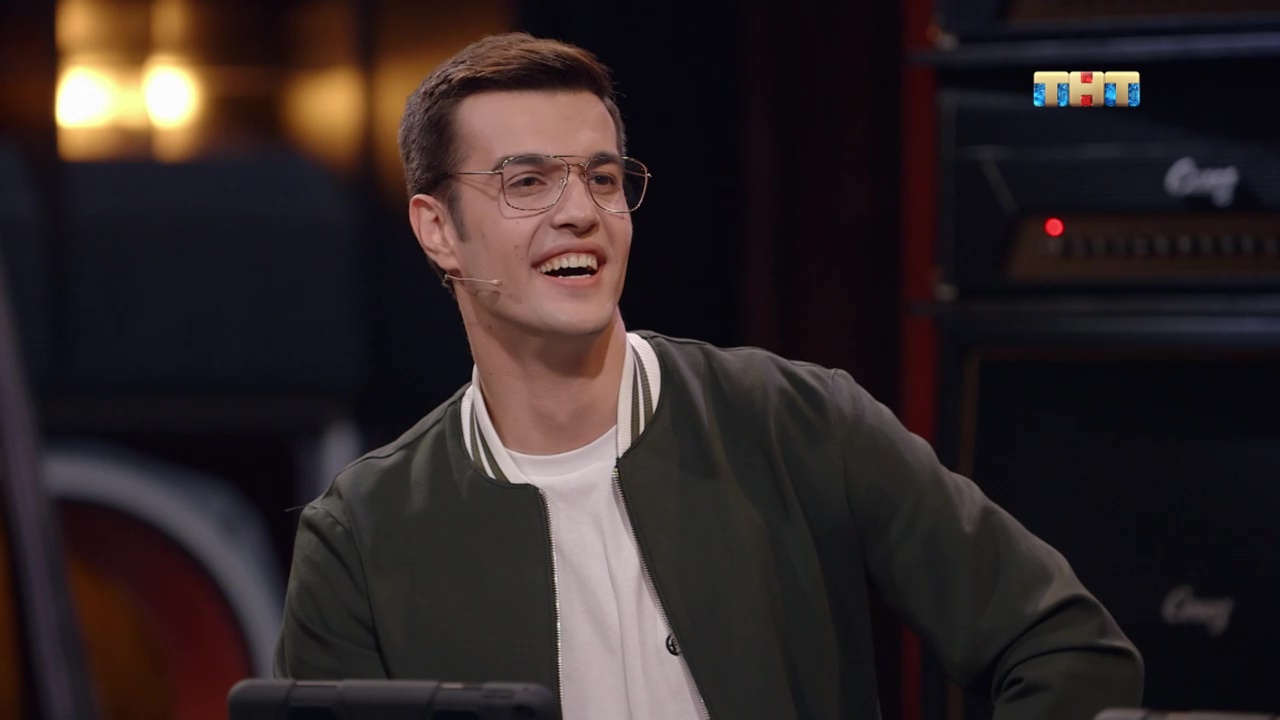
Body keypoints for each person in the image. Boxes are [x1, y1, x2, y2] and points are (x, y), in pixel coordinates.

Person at [273, 32, 1143, 719]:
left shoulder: (798, 422)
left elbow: (1065, 649)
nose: (580, 213)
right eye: (528, 182)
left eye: (602, 178)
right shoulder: (362, 537)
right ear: (438, 230)